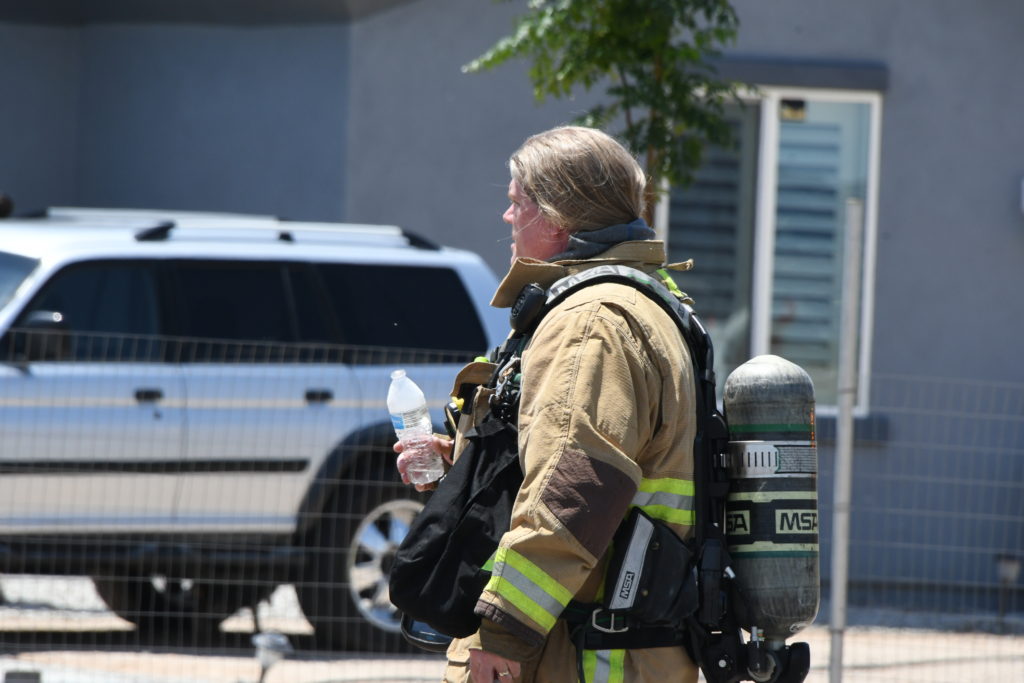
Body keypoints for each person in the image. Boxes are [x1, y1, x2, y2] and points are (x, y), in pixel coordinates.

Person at [397, 125, 699, 683]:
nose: (506, 217)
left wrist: (505, 632)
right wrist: (459, 465)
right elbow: (559, 460)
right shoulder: (636, 304)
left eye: (517, 202)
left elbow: (577, 487)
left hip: (574, 655)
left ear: (558, 218)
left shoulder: (591, 324)